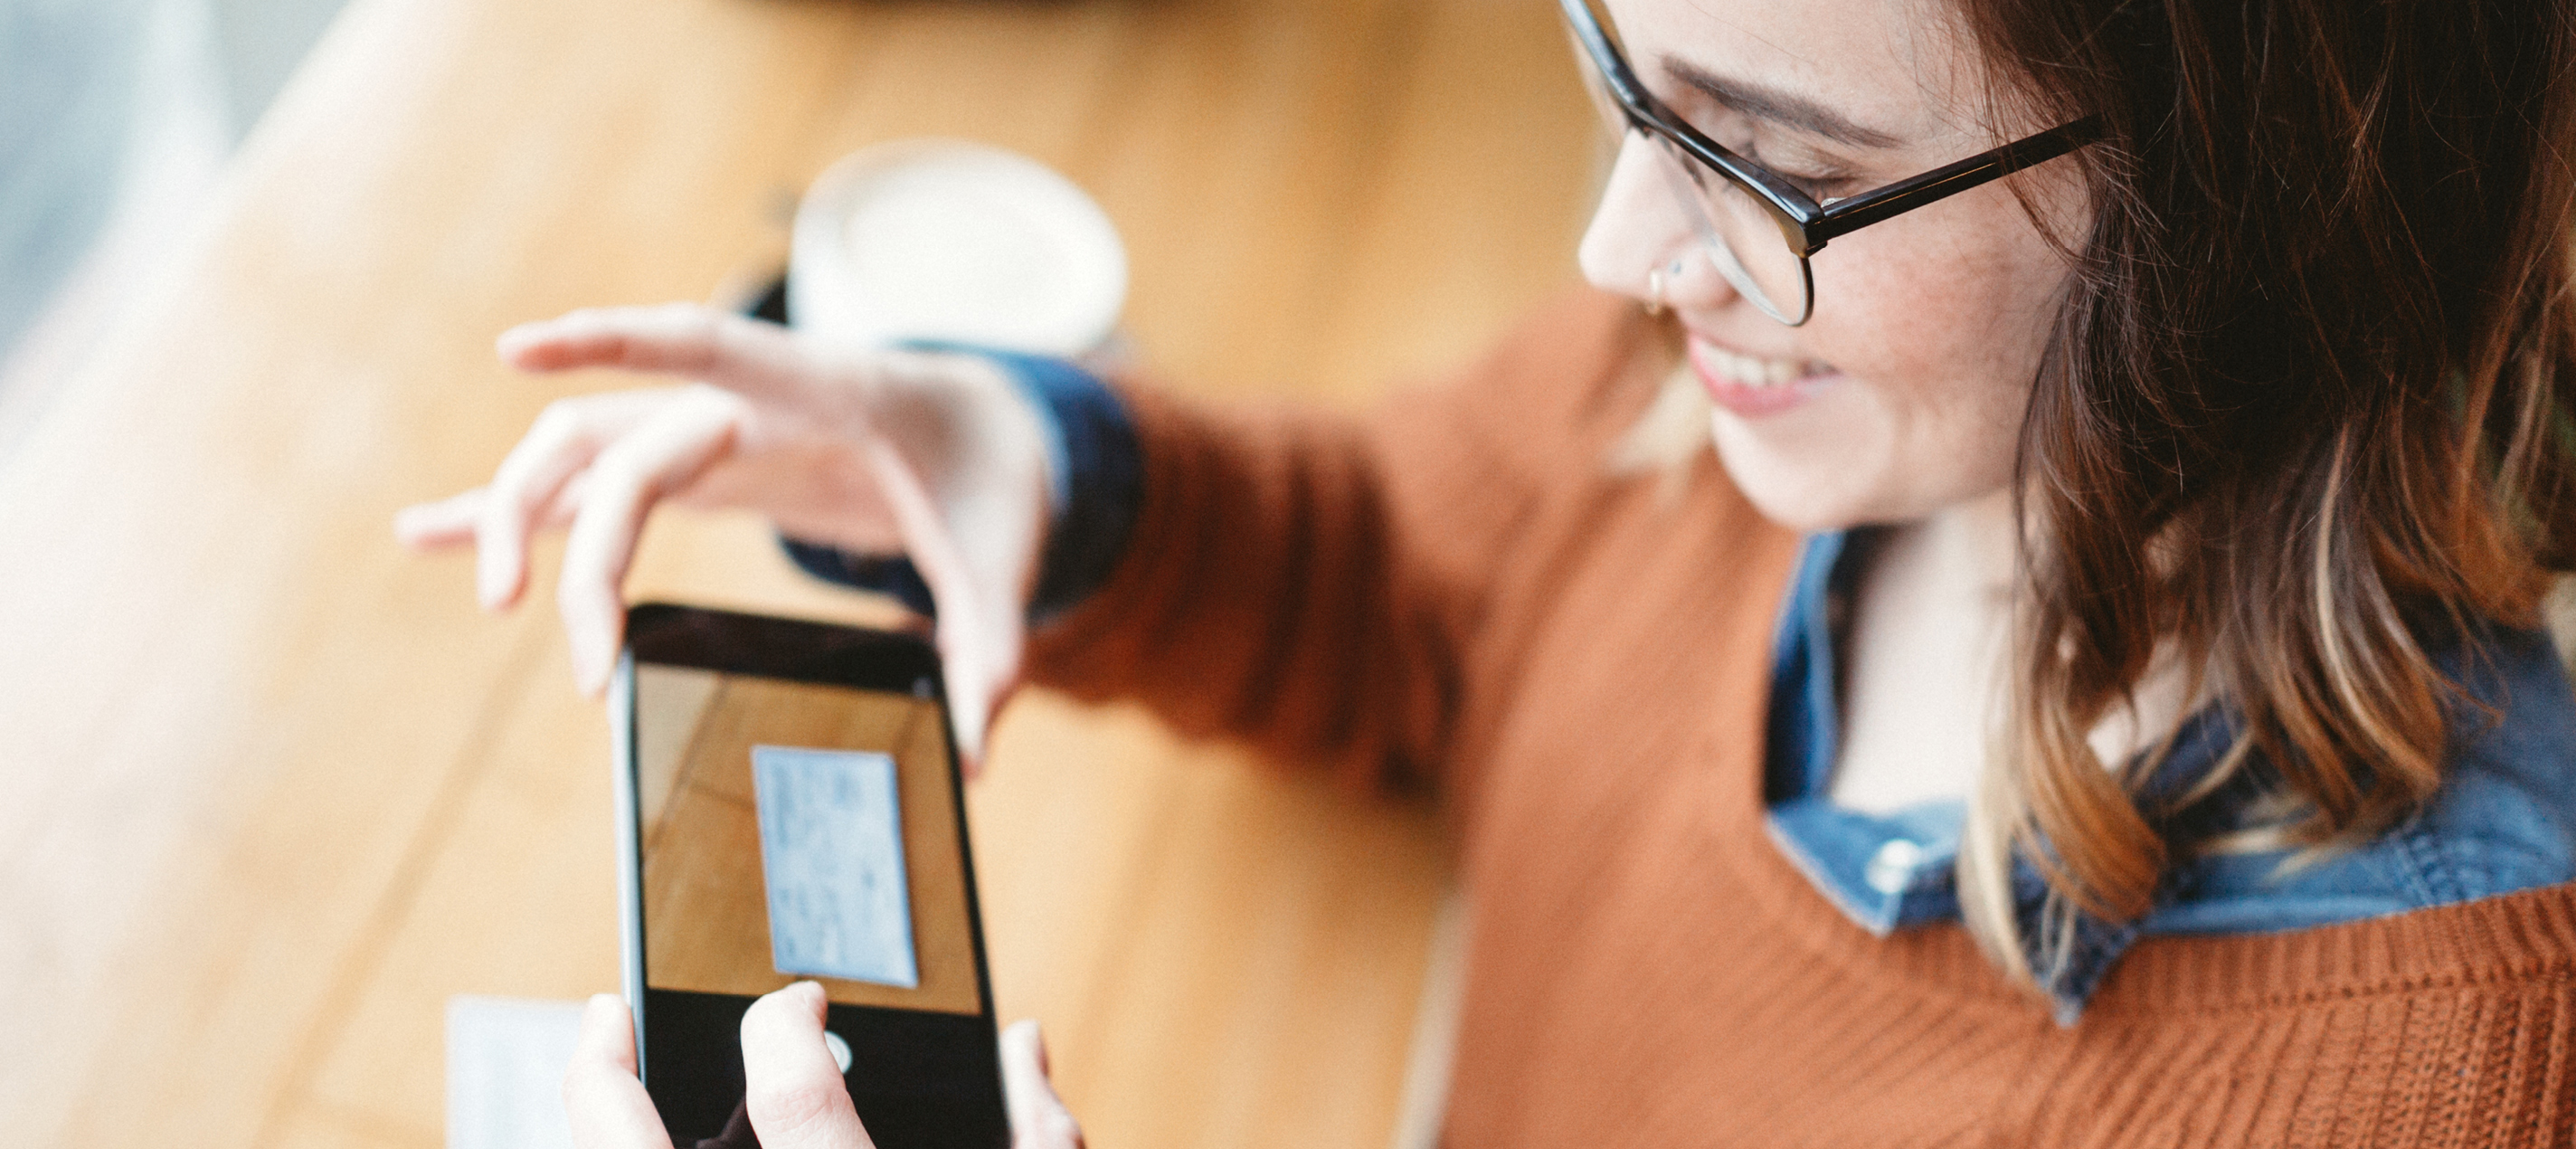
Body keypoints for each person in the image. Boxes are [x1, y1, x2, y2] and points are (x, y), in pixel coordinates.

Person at [396, 0, 2576, 1141]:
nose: (1618, 248)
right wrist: (1013, 460)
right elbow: (1421, 580)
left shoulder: (2435, 1087)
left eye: (1766, 159)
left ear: (2265, 196)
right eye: (1620, 74)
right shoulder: (1746, 416)